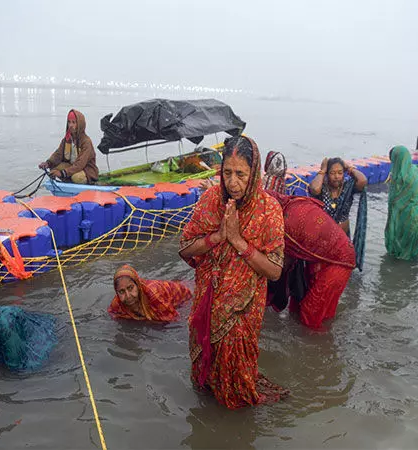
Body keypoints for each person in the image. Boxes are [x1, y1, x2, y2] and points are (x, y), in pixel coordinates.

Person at [179, 136, 289, 409]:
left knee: (236, 389)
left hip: (242, 311)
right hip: (207, 303)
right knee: (204, 382)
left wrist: (238, 241)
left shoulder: (269, 210)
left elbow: (275, 271)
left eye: (241, 174)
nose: (233, 182)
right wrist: (217, 237)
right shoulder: (209, 201)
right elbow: (185, 250)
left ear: (253, 175)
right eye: (227, 173)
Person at [266, 191, 356, 329]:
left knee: (311, 313)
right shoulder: (289, 205)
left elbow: (281, 265)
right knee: (298, 306)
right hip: (318, 256)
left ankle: (318, 345)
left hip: (339, 261)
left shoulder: (286, 224)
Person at [385, 146, 418, 261]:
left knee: (398, 260)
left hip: (406, 224)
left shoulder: (400, 179)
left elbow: (394, 204)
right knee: (413, 259)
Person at [108, 264, 192, 321]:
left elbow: (174, 319)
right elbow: (112, 314)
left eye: (130, 288)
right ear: (117, 292)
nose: (128, 296)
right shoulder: (117, 304)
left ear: (138, 285)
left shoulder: (154, 295)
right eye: (122, 291)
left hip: (183, 295)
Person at [308, 157, 368, 235]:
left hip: (344, 237)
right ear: (327, 174)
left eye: (340, 173)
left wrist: (349, 168)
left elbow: (362, 181)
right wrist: (322, 170)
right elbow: (314, 189)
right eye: (332, 173)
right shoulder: (322, 188)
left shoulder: (347, 187)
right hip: (324, 236)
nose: (336, 176)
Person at [38, 109, 99, 184]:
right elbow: (58, 154)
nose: (71, 125)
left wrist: (63, 173)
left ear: (80, 124)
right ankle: (69, 184)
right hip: (72, 167)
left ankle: (78, 186)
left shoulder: (86, 142)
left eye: (74, 122)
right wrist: (48, 163)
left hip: (86, 171)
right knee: (54, 169)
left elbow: (80, 164)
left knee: (77, 178)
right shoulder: (67, 139)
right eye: (69, 122)